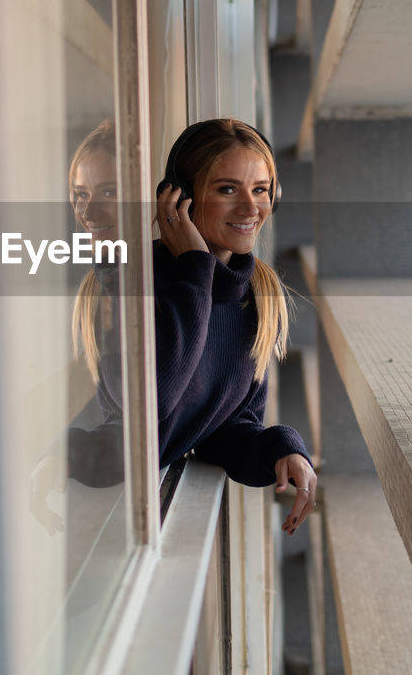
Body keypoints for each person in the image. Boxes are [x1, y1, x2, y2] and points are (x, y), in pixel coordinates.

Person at [66, 118, 316, 535]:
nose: (250, 208)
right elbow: (152, 409)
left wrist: (283, 449)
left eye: (260, 190)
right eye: (227, 189)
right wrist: (196, 273)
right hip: (97, 515)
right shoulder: (125, 284)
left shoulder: (256, 293)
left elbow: (225, 429)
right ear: (178, 200)